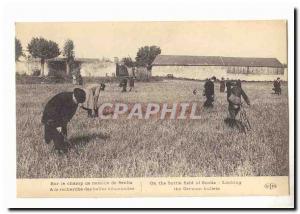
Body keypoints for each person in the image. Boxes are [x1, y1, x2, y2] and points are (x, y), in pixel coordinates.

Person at [41, 88, 86, 153]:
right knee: (55, 132)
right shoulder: (62, 98)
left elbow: (69, 114)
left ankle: (60, 145)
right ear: (74, 96)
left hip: (60, 117)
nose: (78, 103)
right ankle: (57, 149)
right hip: (50, 114)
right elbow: (54, 111)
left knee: (63, 132)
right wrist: (58, 125)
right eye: (77, 101)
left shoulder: (75, 102)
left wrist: (64, 123)